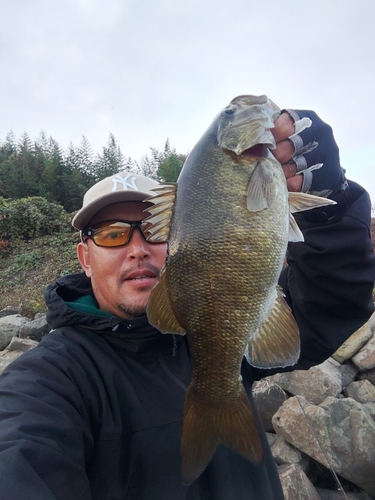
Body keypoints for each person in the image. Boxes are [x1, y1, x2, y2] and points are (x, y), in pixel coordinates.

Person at [0, 107, 374, 500]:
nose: (137, 249)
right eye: (112, 234)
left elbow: (333, 302)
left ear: (179, 240)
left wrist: (333, 207)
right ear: (85, 259)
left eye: (154, 228)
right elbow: (19, 457)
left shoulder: (215, 327)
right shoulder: (51, 380)